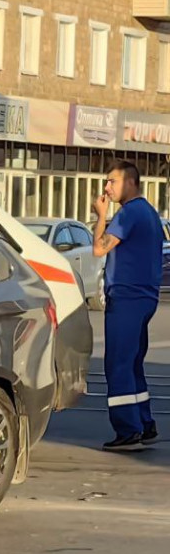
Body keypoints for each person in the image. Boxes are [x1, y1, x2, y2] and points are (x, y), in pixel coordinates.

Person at [91, 161, 163, 451]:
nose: (106, 187)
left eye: (112, 181)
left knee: (118, 364)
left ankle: (128, 431)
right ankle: (144, 424)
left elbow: (99, 248)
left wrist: (101, 216)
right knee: (133, 363)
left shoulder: (128, 213)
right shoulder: (149, 212)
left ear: (130, 183)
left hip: (127, 297)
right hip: (145, 297)